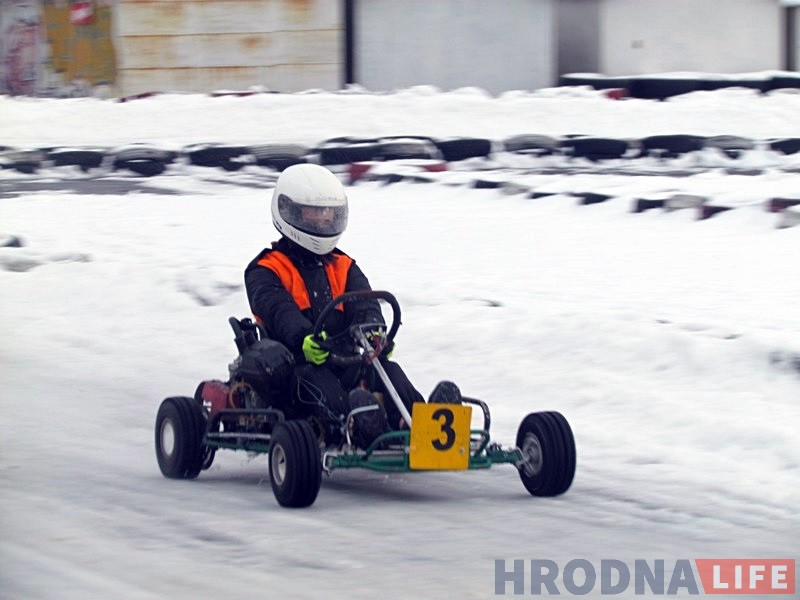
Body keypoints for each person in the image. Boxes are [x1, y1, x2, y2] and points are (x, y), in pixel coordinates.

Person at [245, 163, 451, 448]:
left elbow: (365, 302)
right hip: (296, 364)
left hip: (346, 358)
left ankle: (421, 422)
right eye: (313, 213)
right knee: (319, 383)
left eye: (328, 214)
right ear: (288, 211)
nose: (322, 221)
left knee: (387, 371)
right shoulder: (265, 269)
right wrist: (304, 338)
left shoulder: (343, 265)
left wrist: (375, 333)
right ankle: (356, 426)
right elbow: (278, 310)